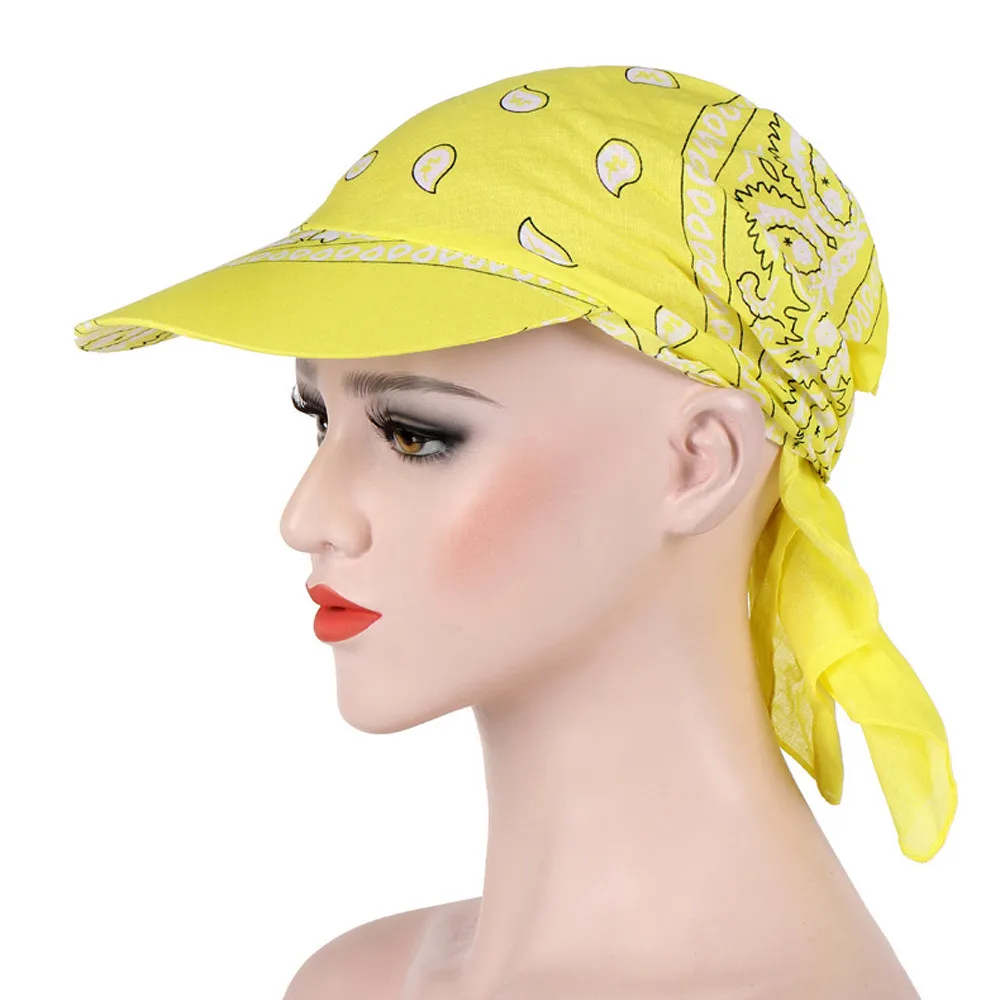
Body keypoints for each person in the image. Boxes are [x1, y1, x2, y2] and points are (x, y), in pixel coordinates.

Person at [74, 64, 956, 999]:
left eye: (416, 435)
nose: (306, 518)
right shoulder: (352, 980)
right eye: (318, 418)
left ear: (700, 462)